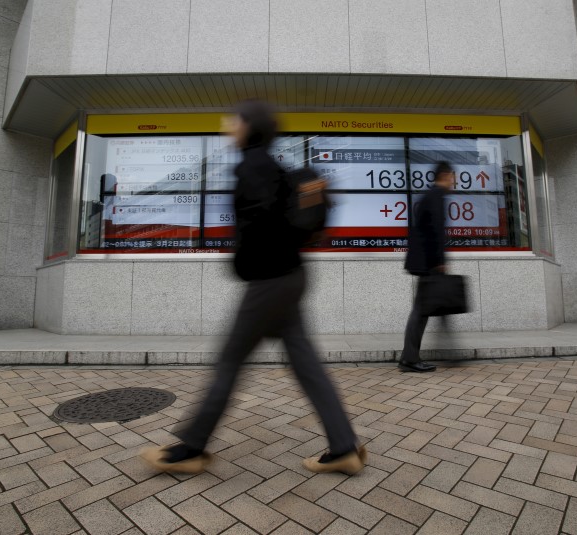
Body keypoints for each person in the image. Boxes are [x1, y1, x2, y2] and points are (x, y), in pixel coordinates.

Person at [140, 100, 365, 476]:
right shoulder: (269, 165)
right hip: (289, 277)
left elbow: (260, 229)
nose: (227, 123)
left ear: (248, 126)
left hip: (270, 281)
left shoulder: (253, 166)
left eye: (234, 118)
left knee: (229, 362)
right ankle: (344, 446)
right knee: (306, 365)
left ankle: (191, 448)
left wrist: (241, 262)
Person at [399, 162, 457, 373]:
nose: (454, 181)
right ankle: (409, 359)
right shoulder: (435, 197)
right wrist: (440, 261)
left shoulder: (432, 196)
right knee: (421, 312)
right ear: (445, 175)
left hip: (427, 262)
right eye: (452, 176)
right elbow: (435, 232)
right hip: (429, 264)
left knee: (430, 310)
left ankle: (417, 356)